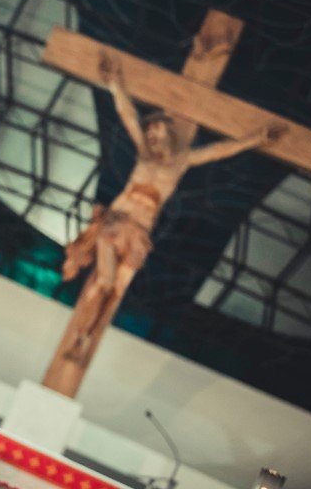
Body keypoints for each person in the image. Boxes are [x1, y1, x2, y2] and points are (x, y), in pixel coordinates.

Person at [61, 52, 285, 360]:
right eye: (149, 133)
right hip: (114, 226)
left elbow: (221, 150)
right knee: (102, 284)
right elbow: (129, 117)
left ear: (169, 134)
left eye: (156, 133)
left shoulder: (181, 162)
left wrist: (255, 140)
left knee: (114, 292)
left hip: (137, 235)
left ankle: (84, 341)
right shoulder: (143, 154)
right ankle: (77, 340)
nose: (151, 138)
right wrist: (115, 84)